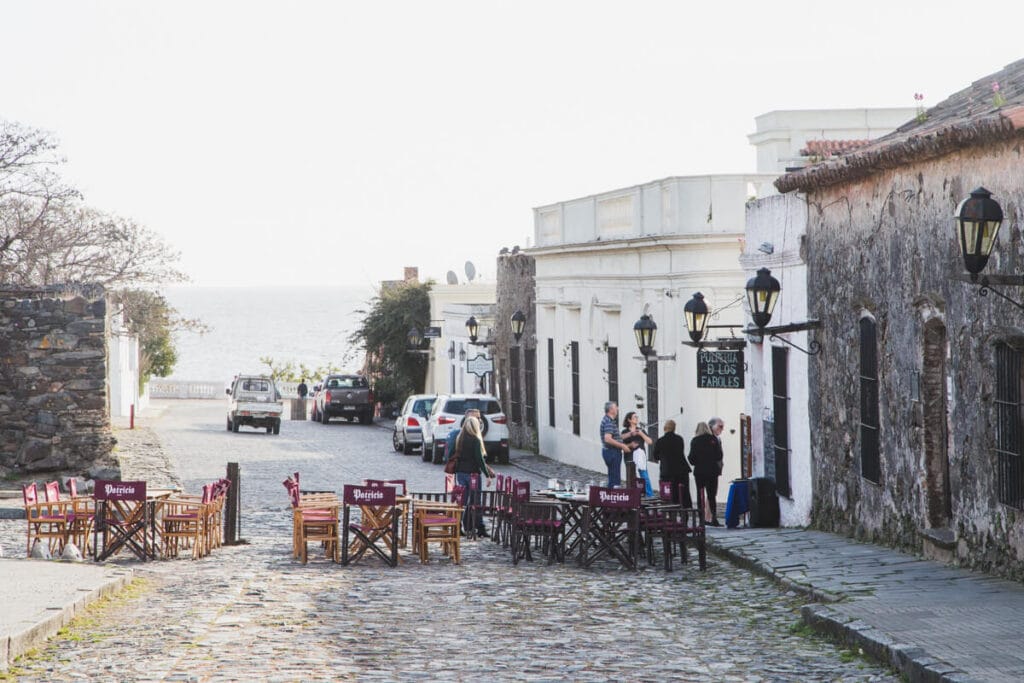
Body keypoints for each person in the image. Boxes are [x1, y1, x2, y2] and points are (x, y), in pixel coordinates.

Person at [452, 416, 494, 537]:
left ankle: (459, 525)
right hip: (473, 475)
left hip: (460, 473)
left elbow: (453, 453)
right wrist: (487, 475)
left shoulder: (459, 438)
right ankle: (478, 526)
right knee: (476, 501)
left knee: (461, 502)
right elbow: (479, 459)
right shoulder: (475, 440)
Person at [689, 419, 725, 526]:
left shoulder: (695, 441)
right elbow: (719, 455)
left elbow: (692, 458)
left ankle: (701, 519)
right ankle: (714, 518)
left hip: (699, 472)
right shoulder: (713, 439)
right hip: (712, 471)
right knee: (711, 495)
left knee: (700, 495)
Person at [654, 419, 692, 507]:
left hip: (667, 471)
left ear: (665, 428)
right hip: (681, 470)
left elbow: (655, 456)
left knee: (669, 494)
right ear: (674, 428)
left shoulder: (660, 441)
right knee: (683, 493)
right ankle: (684, 512)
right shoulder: (679, 439)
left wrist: (663, 457)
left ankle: (671, 514)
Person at [600, 402, 632, 488]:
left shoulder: (608, 420)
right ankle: (614, 497)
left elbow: (616, 437)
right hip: (612, 452)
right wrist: (623, 446)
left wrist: (630, 434)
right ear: (610, 410)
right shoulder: (609, 422)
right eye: (615, 407)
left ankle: (612, 495)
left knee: (613, 476)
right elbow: (608, 439)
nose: (617, 409)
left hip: (610, 452)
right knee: (615, 478)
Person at [621, 411, 654, 496]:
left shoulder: (641, 430)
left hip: (641, 457)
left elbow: (650, 441)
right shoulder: (625, 431)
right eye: (635, 417)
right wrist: (630, 445)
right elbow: (622, 445)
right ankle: (633, 496)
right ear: (629, 420)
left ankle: (650, 495)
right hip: (630, 457)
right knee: (632, 478)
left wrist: (641, 433)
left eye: (637, 417)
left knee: (645, 477)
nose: (637, 419)